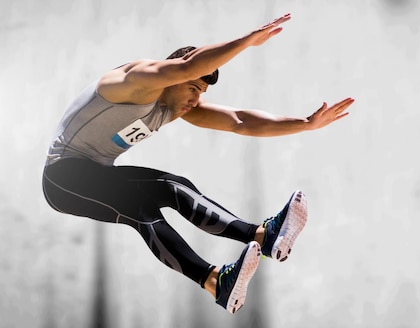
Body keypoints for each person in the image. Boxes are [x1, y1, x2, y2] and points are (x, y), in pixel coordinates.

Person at [41, 13, 354, 314]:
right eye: (192, 88)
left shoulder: (176, 106)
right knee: (138, 208)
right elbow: (188, 65)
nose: (195, 100)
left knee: (174, 187)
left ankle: (262, 237)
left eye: (201, 92)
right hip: (63, 177)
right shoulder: (134, 81)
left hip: (94, 172)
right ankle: (216, 281)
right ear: (174, 77)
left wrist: (305, 124)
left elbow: (239, 121)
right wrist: (246, 41)